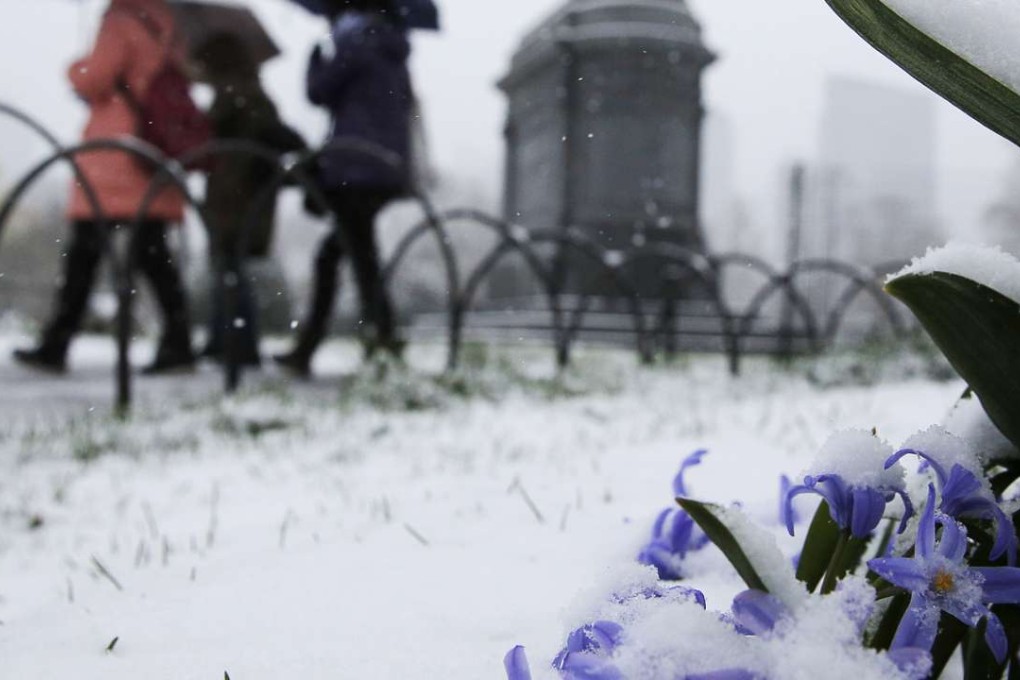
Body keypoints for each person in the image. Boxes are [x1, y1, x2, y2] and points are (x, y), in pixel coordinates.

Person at [14, 0, 195, 374]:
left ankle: (57, 341)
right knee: (153, 254)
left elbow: (95, 77)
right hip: (152, 150)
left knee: (85, 253)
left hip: (116, 152)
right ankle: (179, 340)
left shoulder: (120, 19)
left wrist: (75, 69)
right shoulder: (170, 23)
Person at [274, 0, 412, 377]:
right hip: (383, 165)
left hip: (355, 165)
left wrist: (317, 58)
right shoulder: (391, 47)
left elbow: (319, 92)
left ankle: (375, 341)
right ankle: (375, 340)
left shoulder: (355, 43)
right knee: (349, 253)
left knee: (352, 255)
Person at [195, 34, 306, 367]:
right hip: (243, 194)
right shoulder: (251, 95)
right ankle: (224, 339)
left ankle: (237, 343)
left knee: (230, 265)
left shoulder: (236, 96)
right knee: (228, 265)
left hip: (237, 196)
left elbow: (225, 141)